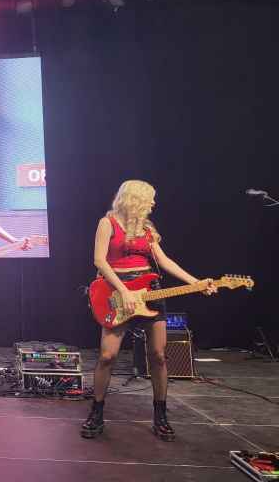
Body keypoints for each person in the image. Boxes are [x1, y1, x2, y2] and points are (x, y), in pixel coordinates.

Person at [82, 180, 216, 441]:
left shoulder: (146, 228)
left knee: (158, 355)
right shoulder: (107, 223)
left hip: (149, 291)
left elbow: (164, 261)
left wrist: (196, 283)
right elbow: (99, 260)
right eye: (150, 198)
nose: (154, 203)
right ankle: (96, 412)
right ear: (135, 198)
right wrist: (123, 291)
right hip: (117, 291)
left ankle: (161, 415)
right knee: (107, 355)